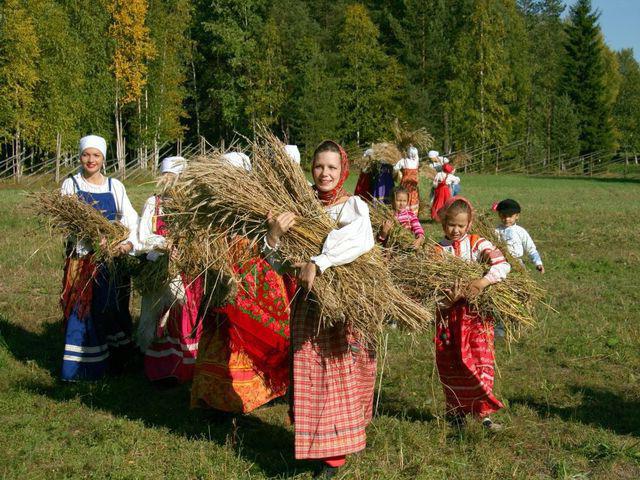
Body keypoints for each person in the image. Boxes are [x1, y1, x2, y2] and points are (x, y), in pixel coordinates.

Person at [264, 140, 376, 478]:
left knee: (335, 372)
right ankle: (316, 442)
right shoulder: (296, 207)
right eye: (318, 167)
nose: (324, 173)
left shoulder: (351, 206)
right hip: (306, 305)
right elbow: (275, 260)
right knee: (309, 374)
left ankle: (334, 456)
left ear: (343, 171)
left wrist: (320, 260)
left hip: (339, 308)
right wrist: (274, 234)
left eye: (332, 167)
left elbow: (360, 240)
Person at [191, 152, 293, 413]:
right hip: (220, 282)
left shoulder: (257, 207)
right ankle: (213, 395)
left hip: (252, 280)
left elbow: (270, 249)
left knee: (254, 333)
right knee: (220, 334)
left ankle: (252, 392)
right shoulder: (210, 209)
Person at [60, 135, 139, 381]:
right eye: (86, 155)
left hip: (113, 261)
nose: (90, 160)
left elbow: (130, 220)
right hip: (82, 260)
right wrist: (91, 240)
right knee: (81, 310)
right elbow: (66, 223)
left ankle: (118, 361)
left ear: (104, 158)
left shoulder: (115, 186)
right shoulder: (70, 185)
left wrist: (126, 244)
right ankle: (81, 369)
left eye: (96, 155)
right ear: (80, 156)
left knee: (111, 308)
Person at [433, 196, 510, 430]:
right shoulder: (436, 251)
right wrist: (448, 298)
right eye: (451, 225)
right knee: (452, 363)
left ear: (469, 224)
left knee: (479, 362)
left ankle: (483, 414)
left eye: (461, 225)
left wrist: (482, 282)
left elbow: (503, 265)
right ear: (443, 223)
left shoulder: (478, 244)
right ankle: (456, 413)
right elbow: (430, 286)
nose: (455, 230)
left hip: (476, 316)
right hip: (448, 317)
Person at [137, 156, 205, 384]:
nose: (175, 184)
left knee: (179, 314)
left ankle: (180, 365)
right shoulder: (153, 203)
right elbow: (143, 236)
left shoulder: (189, 207)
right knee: (152, 315)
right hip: (157, 267)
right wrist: (164, 244)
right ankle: (153, 364)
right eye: (172, 178)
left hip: (183, 269)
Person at [493, 199, 544, 273]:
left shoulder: (520, 231)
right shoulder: (496, 231)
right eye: (504, 216)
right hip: (500, 263)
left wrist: (538, 263)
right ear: (499, 215)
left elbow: (530, 248)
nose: (507, 219)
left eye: (510, 216)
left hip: (517, 264)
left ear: (517, 216)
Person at [393, 146, 421, 213]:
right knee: (413, 196)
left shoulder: (403, 161)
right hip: (414, 183)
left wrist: (398, 172)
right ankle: (413, 213)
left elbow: (395, 168)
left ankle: (404, 212)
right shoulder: (416, 161)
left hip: (405, 182)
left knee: (404, 195)